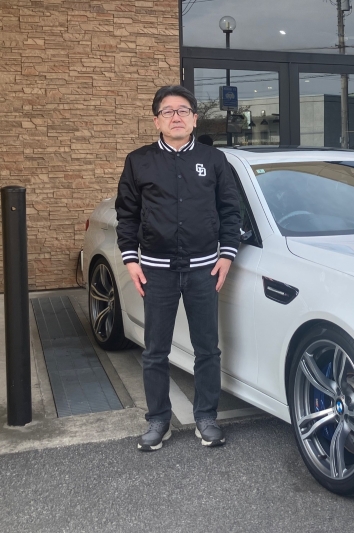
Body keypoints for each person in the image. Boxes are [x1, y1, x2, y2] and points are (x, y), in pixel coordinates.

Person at [115, 85, 241, 451]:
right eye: (167, 111)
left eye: (183, 110)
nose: (176, 117)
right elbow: (127, 213)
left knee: (207, 348)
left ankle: (206, 418)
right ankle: (158, 420)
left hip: (204, 270)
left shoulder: (214, 160)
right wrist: (131, 258)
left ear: (195, 119)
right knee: (155, 350)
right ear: (156, 120)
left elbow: (230, 210)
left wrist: (227, 254)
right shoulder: (138, 161)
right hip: (157, 271)